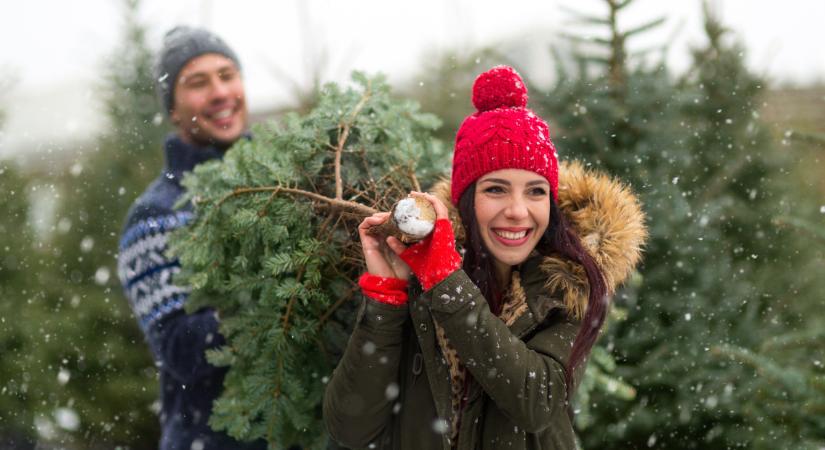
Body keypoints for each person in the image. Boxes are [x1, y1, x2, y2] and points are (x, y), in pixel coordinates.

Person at [323, 66, 647, 449]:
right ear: (466, 200)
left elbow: (536, 402)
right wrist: (386, 297)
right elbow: (351, 429)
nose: (517, 210)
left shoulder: (571, 282)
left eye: (535, 192)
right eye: (496, 189)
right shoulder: (421, 273)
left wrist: (447, 283)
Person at [116, 26, 265, 450]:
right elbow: (180, 349)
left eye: (227, 74)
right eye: (197, 83)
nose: (221, 93)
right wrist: (268, 293)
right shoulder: (156, 216)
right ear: (174, 109)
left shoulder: (293, 185)